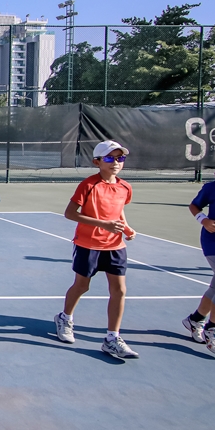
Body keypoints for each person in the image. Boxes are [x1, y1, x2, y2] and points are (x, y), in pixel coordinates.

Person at [53, 140, 138, 359]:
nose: (116, 162)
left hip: (115, 245)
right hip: (87, 244)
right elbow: (70, 213)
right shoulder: (88, 185)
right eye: (110, 158)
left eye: (120, 158)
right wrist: (103, 225)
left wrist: (126, 227)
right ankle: (65, 317)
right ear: (97, 162)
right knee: (82, 286)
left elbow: (118, 212)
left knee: (119, 290)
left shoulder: (125, 187)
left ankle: (112, 338)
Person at [184, 172, 215, 353]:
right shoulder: (212, 188)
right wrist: (203, 220)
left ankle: (196, 319)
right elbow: (194, 206)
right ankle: (212, 329)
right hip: (213, 242)